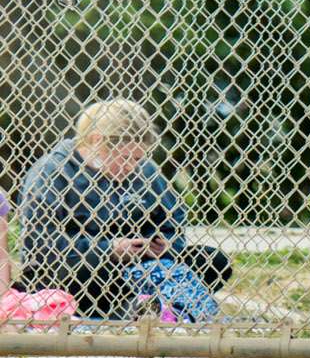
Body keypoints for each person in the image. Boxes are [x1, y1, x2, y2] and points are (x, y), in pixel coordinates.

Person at [17, 99, 233, 324]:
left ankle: (158, 309)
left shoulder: (143, 170)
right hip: (80, 270)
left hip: (139, 264)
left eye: (138, 158)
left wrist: (165, 244)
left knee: (214, 261)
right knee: (92, 272)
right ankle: (133, 308)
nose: (131, 166)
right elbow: (40, 248)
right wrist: (107, 250)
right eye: (125, 158)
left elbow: (173, 217)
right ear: (96, 141)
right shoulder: (52, 173)